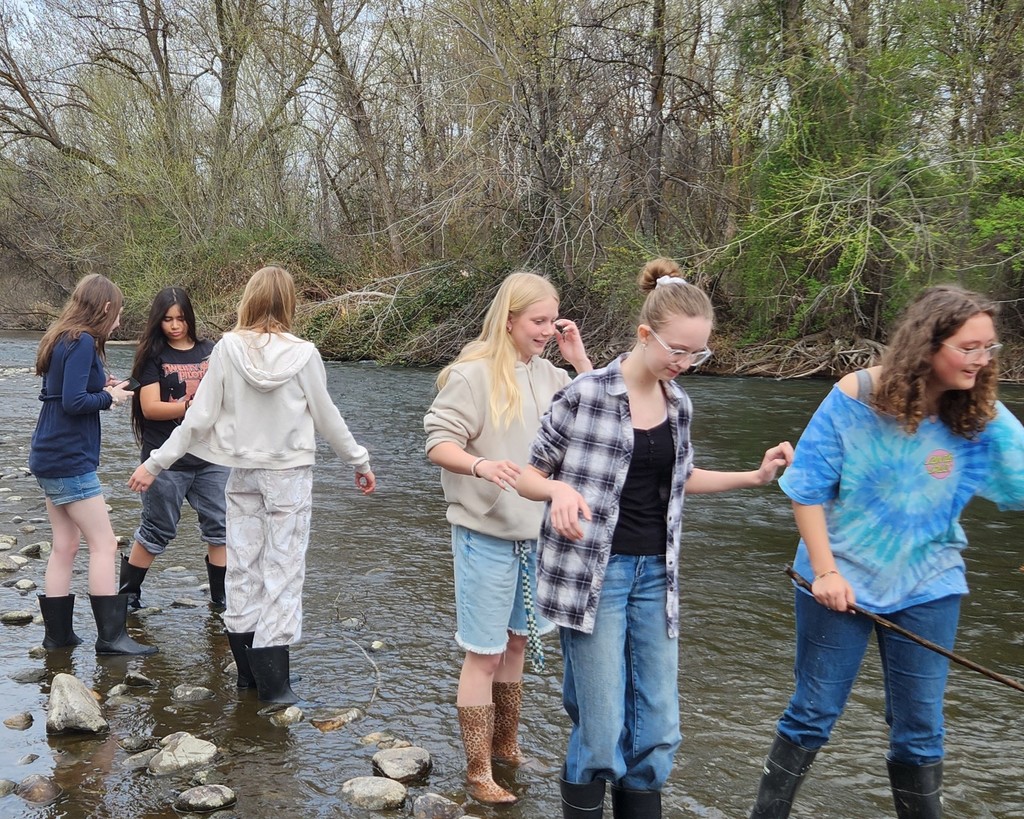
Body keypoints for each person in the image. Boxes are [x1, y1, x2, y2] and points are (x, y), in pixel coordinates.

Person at [514, 258, 793, 819]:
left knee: (658, 725)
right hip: (594, 578)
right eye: (678, 351)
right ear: (645, 335)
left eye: (699, 354)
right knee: (600, 726)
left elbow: (681, 478)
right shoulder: (584, 394)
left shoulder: (678, 405)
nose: (687, 364)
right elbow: (529, 474)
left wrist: (755, 477)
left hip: (654, 578)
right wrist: (558, 494)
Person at [746, 284, 1024, 819]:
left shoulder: (980, 412)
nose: (981, 360)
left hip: (930, 582)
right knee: (813, 713)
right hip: (836, 579)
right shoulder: (858, 395)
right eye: (968, 347)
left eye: (989, 348)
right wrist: (825, 572)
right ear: (928, 344)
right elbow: (806, 490)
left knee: (920, 730)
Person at [128, 266, 375, 704]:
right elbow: (327, 417)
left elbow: (198, 417)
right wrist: (358, 460)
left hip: (240, 473)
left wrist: (155, 462)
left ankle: (247, 678)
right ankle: (275, 687)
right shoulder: (305, 354)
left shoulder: (226, 349)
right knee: (283, 571)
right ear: (289, 304)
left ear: (249, 300)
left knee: (243, 567)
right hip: (288, 477)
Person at [423, 270, 592, 805]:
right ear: (510, 318)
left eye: (551, 320)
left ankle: (507, 747)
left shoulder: (551, 377)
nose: (546, 330)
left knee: (518, 642)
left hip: (537, 537)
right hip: (484, 534)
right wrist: (479, 465)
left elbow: (606, 413)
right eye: (537, 321)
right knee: (484, 653)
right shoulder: (471, 375)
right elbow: (437, 441)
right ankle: (477, 771)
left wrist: (579, 360)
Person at [30, 273, 157, 656]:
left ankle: (59, 637)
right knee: (102, 543)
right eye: (117, 314)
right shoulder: (83, 340)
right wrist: (111, 399)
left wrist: (102, 386)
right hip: (69, 457)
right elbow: (73, 403)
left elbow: (62, 393)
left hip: (48, 453)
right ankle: (111, 638)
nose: (118, 322)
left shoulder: (61, 336)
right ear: (104, 308)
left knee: (65, 545)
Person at [119, 287, 230, 612]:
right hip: (165, 460)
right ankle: (127, 596)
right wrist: (191, 407)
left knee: (220, 527)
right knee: (157, 528)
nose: (175, 325)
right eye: (167, 319)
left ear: (190, 318)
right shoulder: (152, 356)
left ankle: (220, 599)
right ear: (158, 321)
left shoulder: (211, 351)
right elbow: (150, 407)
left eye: (180, 318)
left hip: (211, 458)